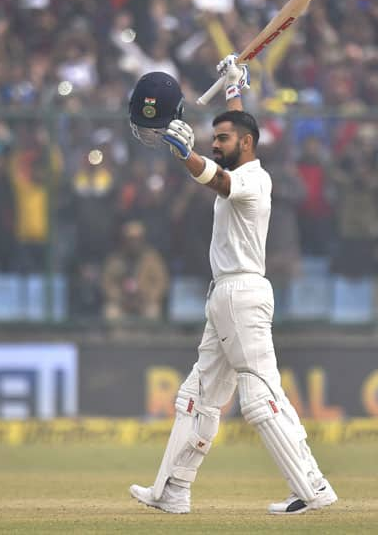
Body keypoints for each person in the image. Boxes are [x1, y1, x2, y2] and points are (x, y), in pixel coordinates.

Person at [128, 59, 337, 515]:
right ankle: (173, 491)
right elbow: (236, 133)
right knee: (197, 398)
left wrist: (186, 155)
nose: (215, 143)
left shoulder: (253, 180)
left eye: (223, 139)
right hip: (225, 296)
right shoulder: (242, 159)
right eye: (213, 139)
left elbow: (217, 180)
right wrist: (233, 86)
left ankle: (313, 486)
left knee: (261, 397)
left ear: (245, 144)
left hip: (242, 295)